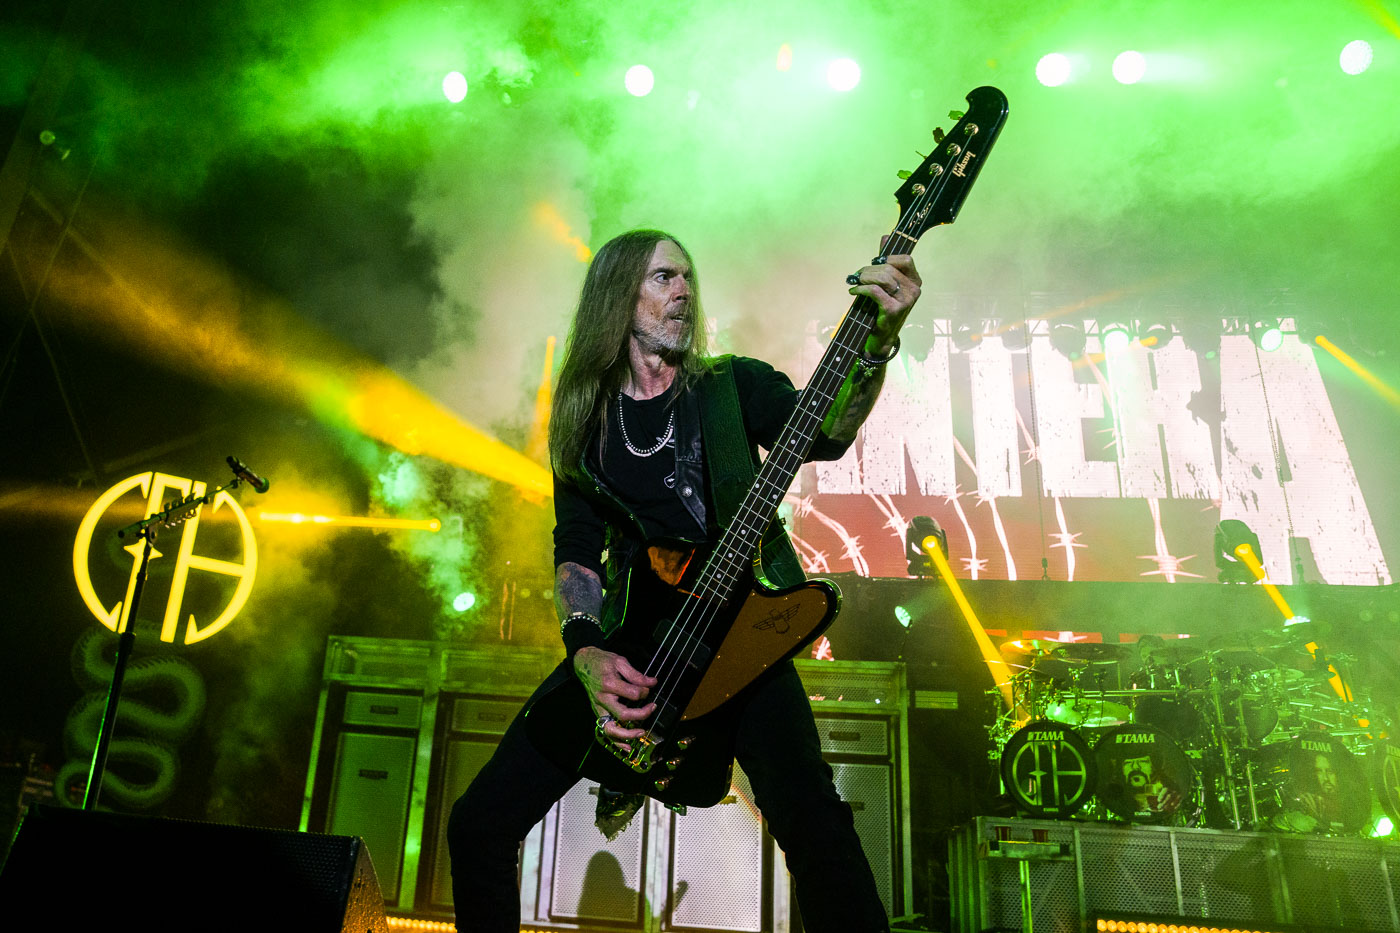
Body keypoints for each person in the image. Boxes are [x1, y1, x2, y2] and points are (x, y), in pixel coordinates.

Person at [447, 228, 920, 932]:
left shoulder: (731, 386)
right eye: (665, 276)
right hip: (639, 650)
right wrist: (584, 650)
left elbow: (827, 427)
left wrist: (878, 342)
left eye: (688, 277)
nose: (684, 290)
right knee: (476, 825)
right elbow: (576, 548)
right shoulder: (583, 419)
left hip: (743, 643)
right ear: (619, 295)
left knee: (820, 838)